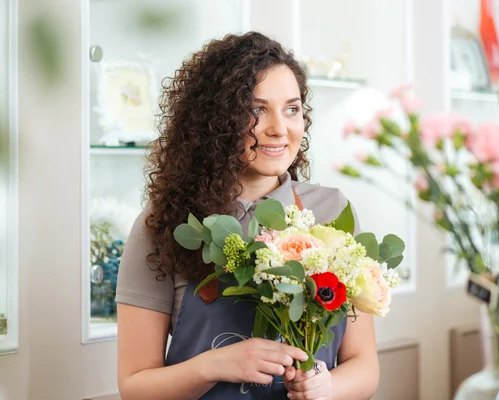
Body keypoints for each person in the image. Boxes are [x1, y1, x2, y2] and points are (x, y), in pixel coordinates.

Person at [115, 31, 379, 400]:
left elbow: (365, 365)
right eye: (256, 110)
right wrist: (215, 364)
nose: (279, 128)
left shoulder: (333, 212)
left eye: (291, 108)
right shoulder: (164, 225)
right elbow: (135, 385)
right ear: (216, 121)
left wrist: (328, 387)